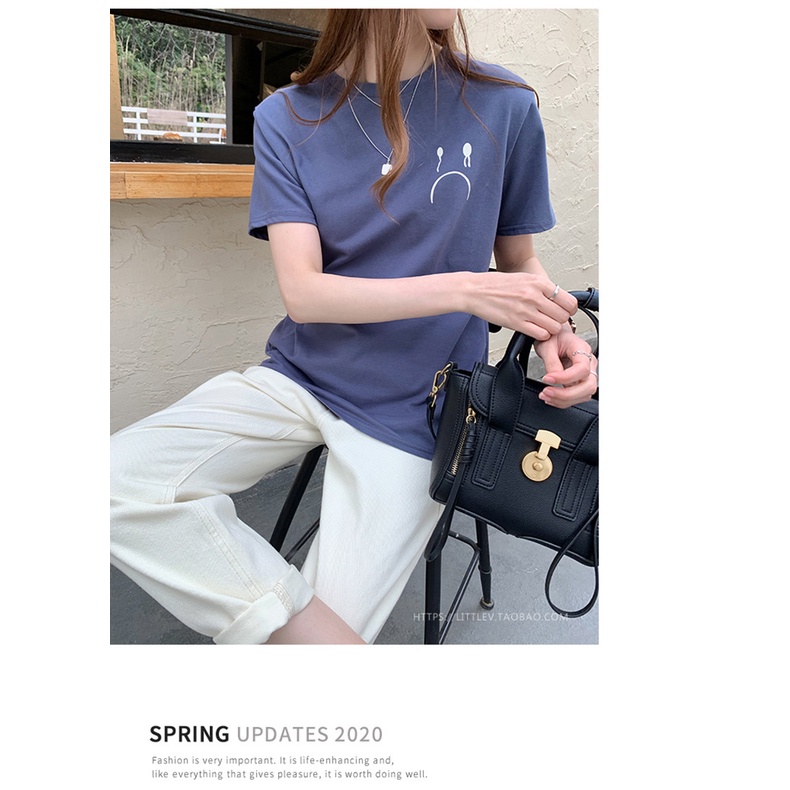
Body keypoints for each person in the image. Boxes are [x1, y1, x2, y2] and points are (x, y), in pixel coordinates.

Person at [110, 9, 598, 645]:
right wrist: (465, 289)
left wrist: (554, 327)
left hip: (425, 404)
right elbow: (305, 294)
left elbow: (519, 261)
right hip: (301, 376)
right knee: (113, 483)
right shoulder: (285, 117)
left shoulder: (502, 104)